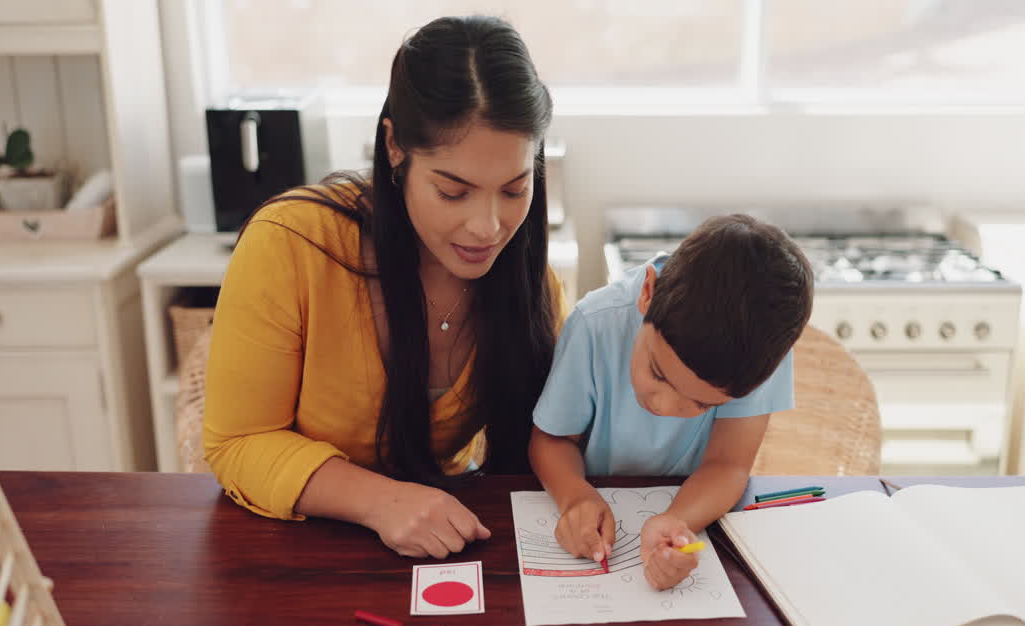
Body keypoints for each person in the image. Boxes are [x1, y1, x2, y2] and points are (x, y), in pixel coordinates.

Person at [204, 15, 565, 560]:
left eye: (514, 190)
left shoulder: (531, 285)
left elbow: (545, 445)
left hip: (444, 549)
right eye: (453, 191)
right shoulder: (291, 244)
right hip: (301, 552)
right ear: (395, 147)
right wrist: (381, 502)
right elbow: (237, 443)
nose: (488, 227)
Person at [529, 214, 813, 590]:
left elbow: (729, 465)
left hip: (694, 505)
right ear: (648, 292)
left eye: (702, 404)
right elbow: (551, 440)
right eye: (659, 374)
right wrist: (575, 497)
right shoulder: (595, 323)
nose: (666, 407)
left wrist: (677, 520)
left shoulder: (756, 355)